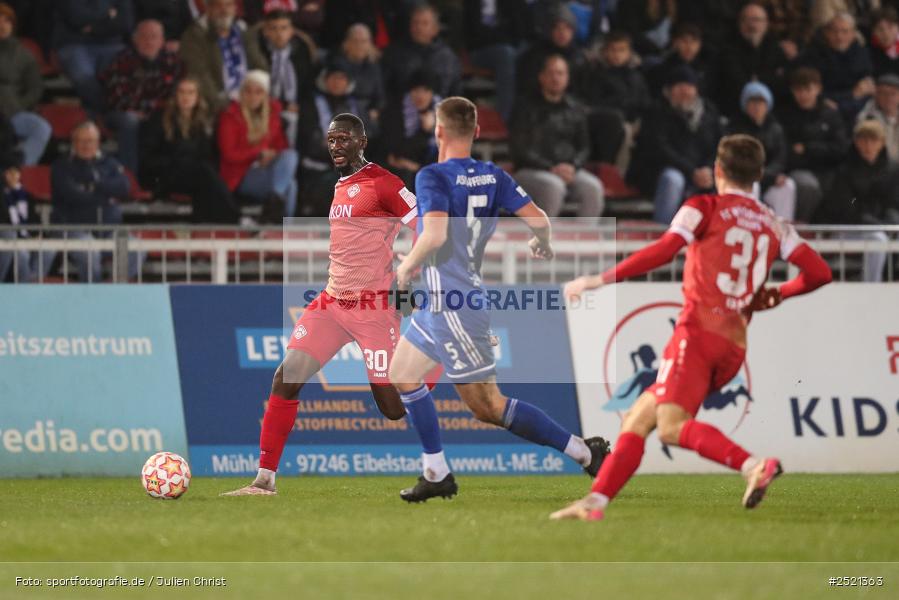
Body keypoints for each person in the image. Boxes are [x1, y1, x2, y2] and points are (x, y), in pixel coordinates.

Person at [550, 134, 832, 522]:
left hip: (697, 335)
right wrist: (779, 293)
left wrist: (597, 280)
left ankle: (753, 465)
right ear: (759, 175)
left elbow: (665, 249)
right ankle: (594, 503)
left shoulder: (703, 206)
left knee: (671, 427)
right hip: (734, 345)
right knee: (639, 418)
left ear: (717, 170)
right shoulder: (774, 223)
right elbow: (820, 273)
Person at [387, 96, 610, 503]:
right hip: (443, 300)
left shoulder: (432, 175)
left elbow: (435, 235)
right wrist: (541, 243)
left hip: (454, 306)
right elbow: (540, 219)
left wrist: (405, 270)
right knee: (402, 373)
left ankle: (583, 452)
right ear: (476, 131)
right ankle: (436, 472)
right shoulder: (494, 176)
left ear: (438, 130)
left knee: (488, 406)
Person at [222, 112, 421, 497]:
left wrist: (407, 273)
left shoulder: (384, 183)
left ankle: (433, 354)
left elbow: (424, 225)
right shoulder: (341, 185)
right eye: (331, 140)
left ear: (362, 142)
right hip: (332, 303)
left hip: (374, 308)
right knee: (286, 377)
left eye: (344, 139)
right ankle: (264, 481)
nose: (336, 146)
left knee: (393, 408)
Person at [510, 54, 604, 220]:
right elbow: (520, 149)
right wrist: (551, 168)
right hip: (531, 170)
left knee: (593, 188)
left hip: (568, 169)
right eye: (551, 73)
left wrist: (573, 166)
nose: (556, 78)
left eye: (560, 73)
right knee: (554, 186)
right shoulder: (524, 108)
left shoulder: (576, 108)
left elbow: (584, 147)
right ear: (542, 77)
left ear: (567, 78)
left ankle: (585, 235)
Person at [629, 65, 724, 224]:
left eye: (689, 86)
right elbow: (659, 149)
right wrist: (691, 171)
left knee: (724, 179)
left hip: (702, 171)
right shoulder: (656, 111)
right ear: (669, 90)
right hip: (661, 171)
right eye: (679, 86)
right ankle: (664, 231)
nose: (685, 91)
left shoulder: (709, 112)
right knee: (673, 179)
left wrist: (708, 169)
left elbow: (719, 145)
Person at [49, 121, 142, 282]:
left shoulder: (110, 163)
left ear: (98, 142)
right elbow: (74, 196)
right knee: (89, 250)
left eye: (91, 141)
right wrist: (107, 195)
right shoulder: (61, 166)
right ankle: (94, 292)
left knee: (136, 248)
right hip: (73, 230)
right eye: (82, 141)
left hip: (109, 230)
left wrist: (95, 184)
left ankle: (115, 290)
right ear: (73, 142)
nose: (86, 145)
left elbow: (124, 187)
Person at [139, 76, 240, 223]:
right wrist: (178, 162)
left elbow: (210, 155)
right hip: (164, 175)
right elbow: (148, 158)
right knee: (204, 174)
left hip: (195, 175)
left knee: (205, 176)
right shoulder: (160, 118)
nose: (186, 97)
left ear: (198, 97)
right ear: (175, 95)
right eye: (182, 92)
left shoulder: (203, 121)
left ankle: (205, 225)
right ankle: (235, 219)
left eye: (191, 92)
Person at [98, 19, 184, 174]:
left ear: (162, 41)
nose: (149, 41)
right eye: (144, 37)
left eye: (154, 37)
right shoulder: (122, 60)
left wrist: (155, 108)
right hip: (122, 114)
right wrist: (154, 107)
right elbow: (118, 99)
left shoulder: (173, 61)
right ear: (135, 40)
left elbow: (178, 93)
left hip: (158, 113)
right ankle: (130, 177)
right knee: (130, 120)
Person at [217, 70, 298, 220]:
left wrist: (272, 155)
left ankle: (275, 203)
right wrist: (258, 153)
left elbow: (282, 147)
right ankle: (280, 219)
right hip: (240, 174)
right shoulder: (230, 116)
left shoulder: (272, 116)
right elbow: (229, 154)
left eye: (258, 92)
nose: (253, 96)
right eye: (248, 91)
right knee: (290, 186)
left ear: (265, 95)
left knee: (291, 157)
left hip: (267, 169)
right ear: (242, 93)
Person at [822, 120, 896, 281]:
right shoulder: (844, 171)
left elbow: (894, 202)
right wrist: (874, 223)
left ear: (882, 142)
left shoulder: (893, 169)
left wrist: (889, 221)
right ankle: (871, 287)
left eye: (873, 140)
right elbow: (845, 206)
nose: (868, 145)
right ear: (856, 142)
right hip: (849, 228)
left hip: (885, 226)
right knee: (878, 239)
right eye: (863, 140)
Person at [777, 67, 849, 222]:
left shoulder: (830, 114)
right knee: (808, 186)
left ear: (818, 89)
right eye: (798, 90)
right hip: (798, 170)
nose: (803, 95)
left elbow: (840, 149)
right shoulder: (785, 116)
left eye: (807, 89)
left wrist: (808, 149)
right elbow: (786, 150)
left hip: (828, 170)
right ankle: (803, 227)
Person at [296, 61, 362, 216]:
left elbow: (367, 136)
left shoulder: (356, 106)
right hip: (318, 167)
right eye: (333, 77)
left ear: (348, 82)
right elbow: (309, 139)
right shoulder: (311, 104)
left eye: (342, 78)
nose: (337, 82)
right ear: (324, 80)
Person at [578, 31, 651, 168]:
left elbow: (645, 103)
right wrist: (623, 102)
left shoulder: (637, 77)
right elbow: (593, 104)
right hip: (611, 123)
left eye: (621, 50)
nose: (617, 54)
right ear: (605, 52)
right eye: (613, 50)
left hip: (636, 122)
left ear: (629, 53)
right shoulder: (596, 75)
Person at [245, 9, 317, 147]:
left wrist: (299, 105)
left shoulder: (302, 52)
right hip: (265, 108)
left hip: (296, 108)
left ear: (291, 31)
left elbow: (308, 84)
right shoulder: (258, 54)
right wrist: (281, 105)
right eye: (274, 28)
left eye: (284, 28)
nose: (279, 34)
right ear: (265, 32)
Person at [728, 81, 796, 220]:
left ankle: (781, 229)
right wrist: (755, 174)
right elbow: (736, 157)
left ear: (767, 105)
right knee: (752, 185)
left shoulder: (775, 128)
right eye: (752, 102)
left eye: (761, 102)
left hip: (769, 178)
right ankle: (748, 225)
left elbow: (780, 158)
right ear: (745, 105)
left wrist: (767, 174)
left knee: (787, 186)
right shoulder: (735, 128)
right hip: (745, 178)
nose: (757, 107)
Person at [53, 0, 134, 113]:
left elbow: (125, 22)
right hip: (74, 44)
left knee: (124, 74)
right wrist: (109, 14)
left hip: (112, 44)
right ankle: (110, 112)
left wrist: (93, 28)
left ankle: (111, 113)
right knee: (83, 76)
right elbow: (76, 17)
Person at [0, 3, 51, 166]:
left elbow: (35, 88)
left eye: (7, 21)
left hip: (11, 113)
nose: (2, 25)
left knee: (41, 128)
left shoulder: (23, 54)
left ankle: (18, 169)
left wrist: (18, 105)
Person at [717, 2, 789, 117]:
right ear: (740, 24)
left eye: (757, 20)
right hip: (735, 112)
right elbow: (735, 82)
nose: (752, 25)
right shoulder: (728, 49)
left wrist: (756, 79)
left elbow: (782, 82)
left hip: (773, 112)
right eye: (746, 20)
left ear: (766, 24)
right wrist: (765, 79)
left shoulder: (775, 48)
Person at [800, 12, 875, 121]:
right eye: (835, 31)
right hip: (825, 107)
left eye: (845, 31)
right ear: (826, 33)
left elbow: (867, 87)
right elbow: (814, 92)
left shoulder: (862, 53)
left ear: (853, 34)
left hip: (858, 108)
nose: (839, 36)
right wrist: (851, 94)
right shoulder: (813, 56)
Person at [179, 0, 251, 112]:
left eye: (228, 5)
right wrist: (223, 105)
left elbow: (257, 62)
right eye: (218, 5)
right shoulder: (194, 36)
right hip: (219, 104)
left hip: (250, 96)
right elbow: (200, 76)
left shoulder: (243, 30)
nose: (224, 11)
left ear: (235, 8)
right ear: (208, 9)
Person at [462, 0, 527, 122]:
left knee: (526, 52)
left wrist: (499, 36)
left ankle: (526, 113)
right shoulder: (471, 3)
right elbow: (474, 36)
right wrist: (500, 37)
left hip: (509, 47)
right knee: (505, 54)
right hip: (480, 51)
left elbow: (519, 30)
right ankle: (506, 119)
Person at [382, 4, 461, 100]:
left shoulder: (448, 58)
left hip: (439, 107)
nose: (419, 27)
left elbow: (455, 93)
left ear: (435, 29)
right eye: (415, 23)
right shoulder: (394, 54)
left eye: (425, 23)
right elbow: (384, 89)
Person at [382, 70, 439, 191]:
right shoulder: (396, 111)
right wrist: (424, 131)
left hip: (428, 169)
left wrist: (418, 167)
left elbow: (446, 153)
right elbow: (397, 153)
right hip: (404, 173)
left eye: (426, 90)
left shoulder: (441, 111)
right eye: (416, 90)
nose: (421, 96)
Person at [516, 5, 587, 98]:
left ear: (573, 32)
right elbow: (527, 88)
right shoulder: (534, 55)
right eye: (557, 28)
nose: (562, 33)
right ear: (550, 31)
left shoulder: (580, 58)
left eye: (567, 28)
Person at [330, 24, 384, 133]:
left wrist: (375, 109)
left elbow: (380, 96)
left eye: (364, 41)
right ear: (346, 44)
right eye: (355, 41)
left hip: (368, 117)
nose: (359, 45)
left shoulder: (374, 67)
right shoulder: (336, 65)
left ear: (370, 45)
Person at [646, 22, 717, 100]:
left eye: (694, 41)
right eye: (685, 41)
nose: (690, 47)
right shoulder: (661, 70)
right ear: (675, 43)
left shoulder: (703, 70)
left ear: (700, 45)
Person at [857, 73, 899, 160]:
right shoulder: (866, 118)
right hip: (880, 165)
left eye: (893, 93)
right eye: (883, 93)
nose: (888, 97)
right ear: (876, 95)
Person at [869, 8, 899, 76]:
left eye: (890, 27)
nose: (886, 33)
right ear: (873, 32)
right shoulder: (868, 53)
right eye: (880, 29)